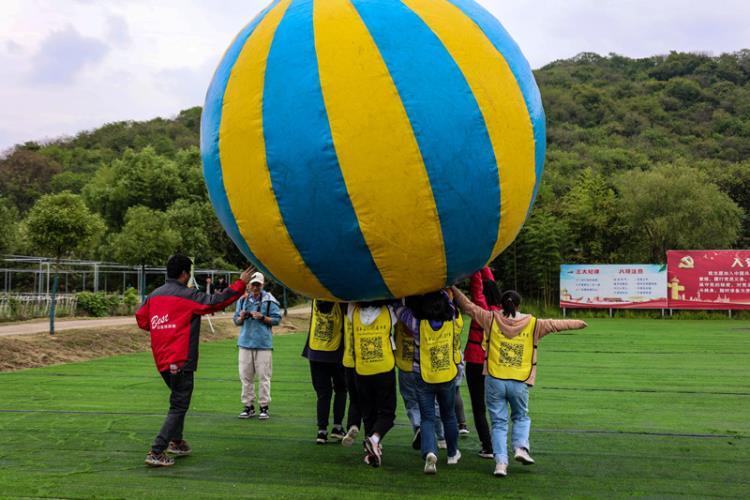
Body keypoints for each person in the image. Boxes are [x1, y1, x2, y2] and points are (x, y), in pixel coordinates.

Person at [452, 286, 588, 477]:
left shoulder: (490, 319)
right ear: (518, 305)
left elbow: (468, 307)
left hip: (495, 379)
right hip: (520, 381)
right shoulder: (533, 324)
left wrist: (452, 287)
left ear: (501, 304)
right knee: (521, 417)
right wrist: (579, 323)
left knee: (499, 424)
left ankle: (500, 464)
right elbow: (557, 324)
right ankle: (521, 448)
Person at [135, 255, 252, 467]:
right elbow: (216, 302)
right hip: (179, 359)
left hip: (161, 358)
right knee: (179, 403)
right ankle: (156, 450)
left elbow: (142, 319)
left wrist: (162, 328)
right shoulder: (187, 295)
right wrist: (241, 282)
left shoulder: (154, 296)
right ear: (185, 274)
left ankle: (176, 441)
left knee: (177, 399)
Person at [394, 290, 463, 475]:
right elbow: (450, 303)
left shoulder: (417, 325)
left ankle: (430, 452)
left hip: (423, 377)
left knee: (427, 418)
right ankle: (452, 453)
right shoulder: (452, 321)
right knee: (449, 416)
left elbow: (399, 310)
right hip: (447, 377)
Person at [348, 300, 398, 468]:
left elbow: (348, 298)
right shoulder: (389, 312)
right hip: (384, 370)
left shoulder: (352, 312)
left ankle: (372, 452)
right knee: (388, 414)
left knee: (368, 413)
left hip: (362, 372)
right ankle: (374, 439)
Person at [464, 267, 501, 458]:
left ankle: (488, 446)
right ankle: (497, 445)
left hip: (476, 361)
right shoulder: (502, 312)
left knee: (479, 407)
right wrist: (485, 266)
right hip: (494, 363)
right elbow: (488, 284)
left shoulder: (481, 309)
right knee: (495, 406)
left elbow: (477, 289)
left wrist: (477, 265)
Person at [234, 272, 282, 420]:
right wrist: (241, 317)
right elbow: (236, 321)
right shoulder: (242, 300)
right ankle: (248, 406)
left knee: (264, 377)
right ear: (249, 285)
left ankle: (264, 407)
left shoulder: (269, 300)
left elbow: (277, 320)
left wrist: (262, 317)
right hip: (245, 343)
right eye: (253, 284)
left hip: (263, 344)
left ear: (262, 285)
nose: (255, 287)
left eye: (258, 285)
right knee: (245, 377)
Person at [302, 300, 347, 444]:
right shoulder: (341, 300)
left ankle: (321, 432)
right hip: (337, 352)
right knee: (341, 389)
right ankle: (337, 427)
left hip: (315, 352)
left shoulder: (315, 299)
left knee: (323, 394)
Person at [341, 304, 362, 447]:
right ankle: (372, 436)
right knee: (371, 402)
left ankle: (353, 425)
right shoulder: (380, 315)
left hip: (349, 361)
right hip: (368, 365)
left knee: (354, 399)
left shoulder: (347, 311)